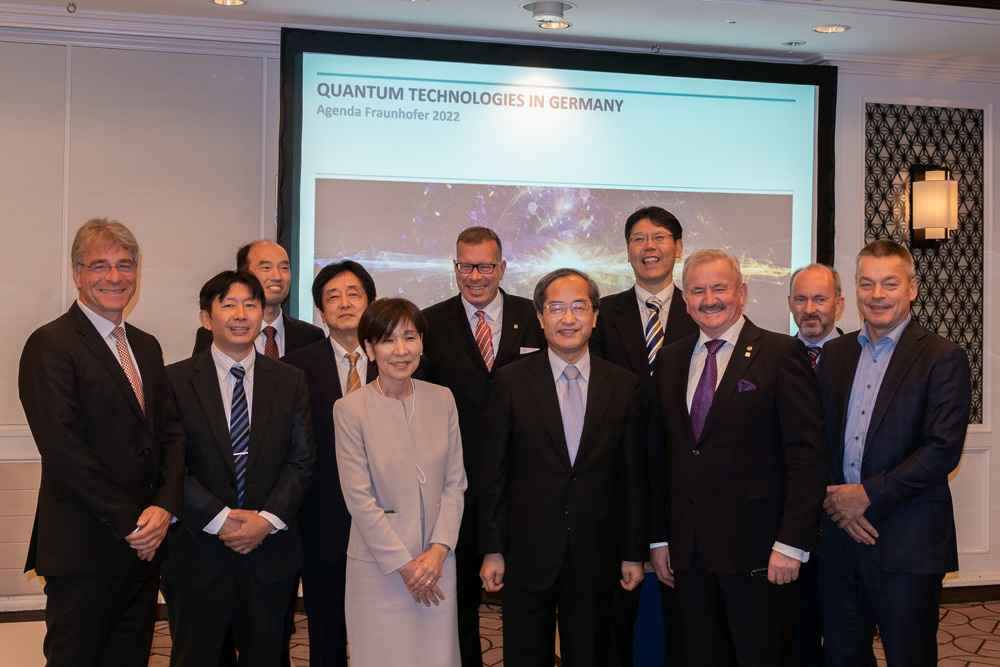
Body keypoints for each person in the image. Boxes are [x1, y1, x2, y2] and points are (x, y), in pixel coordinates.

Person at [18, 217, 185, 666]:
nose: (115, 277)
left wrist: (165, 509)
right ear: (77, 274)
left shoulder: (147, 347)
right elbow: (65, 450)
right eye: (100, 266)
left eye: (125, 265)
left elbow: (169, 435)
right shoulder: (50, 344)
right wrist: (134, 524)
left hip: (144, 552)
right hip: (86, 551)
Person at [649, 249, 827, 667]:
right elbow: (661, 456)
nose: (709, 299)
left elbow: (807, 457)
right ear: (685, 299)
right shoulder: (672, 358)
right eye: (696, 290)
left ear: (742, 292)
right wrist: (659, 537)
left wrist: (791, 543)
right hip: (688, 556)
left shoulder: (782, 354)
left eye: (719, 288)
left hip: (760, 552)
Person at [479, 268, 648, 667]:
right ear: (540, 317)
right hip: (526, 554)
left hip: (597, 555)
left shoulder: (623, 385)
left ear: (595, 315)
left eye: (578, 307)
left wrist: (631, 553)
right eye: (556, 308)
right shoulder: (511, 381)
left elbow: (634, 480)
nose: (567, 318)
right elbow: (493, 475)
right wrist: (492, 548)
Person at [818, 240, 971, 667]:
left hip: (908, 538)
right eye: (867, 284)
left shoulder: (943, 357)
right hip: (839, 536)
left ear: (913, 288)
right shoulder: (835, 353)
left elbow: (942, 450)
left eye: (890, 283)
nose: (877, 295)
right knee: (843, 655)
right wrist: (838, 505)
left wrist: (865, 496)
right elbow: (819, 440)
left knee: (910, 656)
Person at [160, 270, 316, 667]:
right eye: (228, 304)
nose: (241, 314)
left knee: (268, 658)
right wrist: (220, 518)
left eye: (250, 304)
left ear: (262, 314)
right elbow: (169, 463)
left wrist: (265, 520)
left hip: (270, 552)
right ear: (205, 317)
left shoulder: (290, 380)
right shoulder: (174, 380)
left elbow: (301, 460)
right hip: (198, 550)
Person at [422, 226, 546, 666]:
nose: (475, 276)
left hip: (530, 486)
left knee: (529, 601)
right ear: (454, 267)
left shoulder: (537, 318)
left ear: (503, 267)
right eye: (465, 266)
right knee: (458, 605)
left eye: (485, 265)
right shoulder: (428, 323)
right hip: (460, 488)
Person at [334, 298, 467, 666]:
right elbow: (359, 499)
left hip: (438, 563)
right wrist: (407, 567)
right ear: (369, 349)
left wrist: (439, 551)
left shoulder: (442, 399)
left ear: (422, 343)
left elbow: (455, 484)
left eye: (410, 337)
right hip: (380, 567)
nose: (401, 350)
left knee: (437, 657)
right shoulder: (349, 409)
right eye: (388, 340)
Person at [590, 206, 696, 667]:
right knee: (614, 609)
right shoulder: (601, 313)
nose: (648, 247)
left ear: (677, 246)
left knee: (687, 610)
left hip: (686, 475)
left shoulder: (703, 309)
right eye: (638, 238)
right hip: (616, 476)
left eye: (659, 237)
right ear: (627, 250)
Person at [282, 260, 378, 667]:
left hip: (389, 518)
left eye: (354, 293)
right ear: (320, 311)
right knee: (326, 633)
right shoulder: (296, 367)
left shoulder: (400, 358)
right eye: (332, 297)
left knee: (386, 628)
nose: (344, 303)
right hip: (323, 521)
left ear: (371, 302)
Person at [785, 262, 849, 667]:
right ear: (790, 304)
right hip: (791, 530)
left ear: (839, 305)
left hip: (848, 522)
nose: (810, 308)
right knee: (795, 637)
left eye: (820, 299)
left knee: (848, 636)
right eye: (801, 299)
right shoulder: (772, 356)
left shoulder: (863, 357)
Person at [192, 240, 324, 357]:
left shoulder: (311, 336)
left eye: (284, 268)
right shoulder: (215, 332)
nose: (277, 276)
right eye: (266, 267)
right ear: (244, 274)